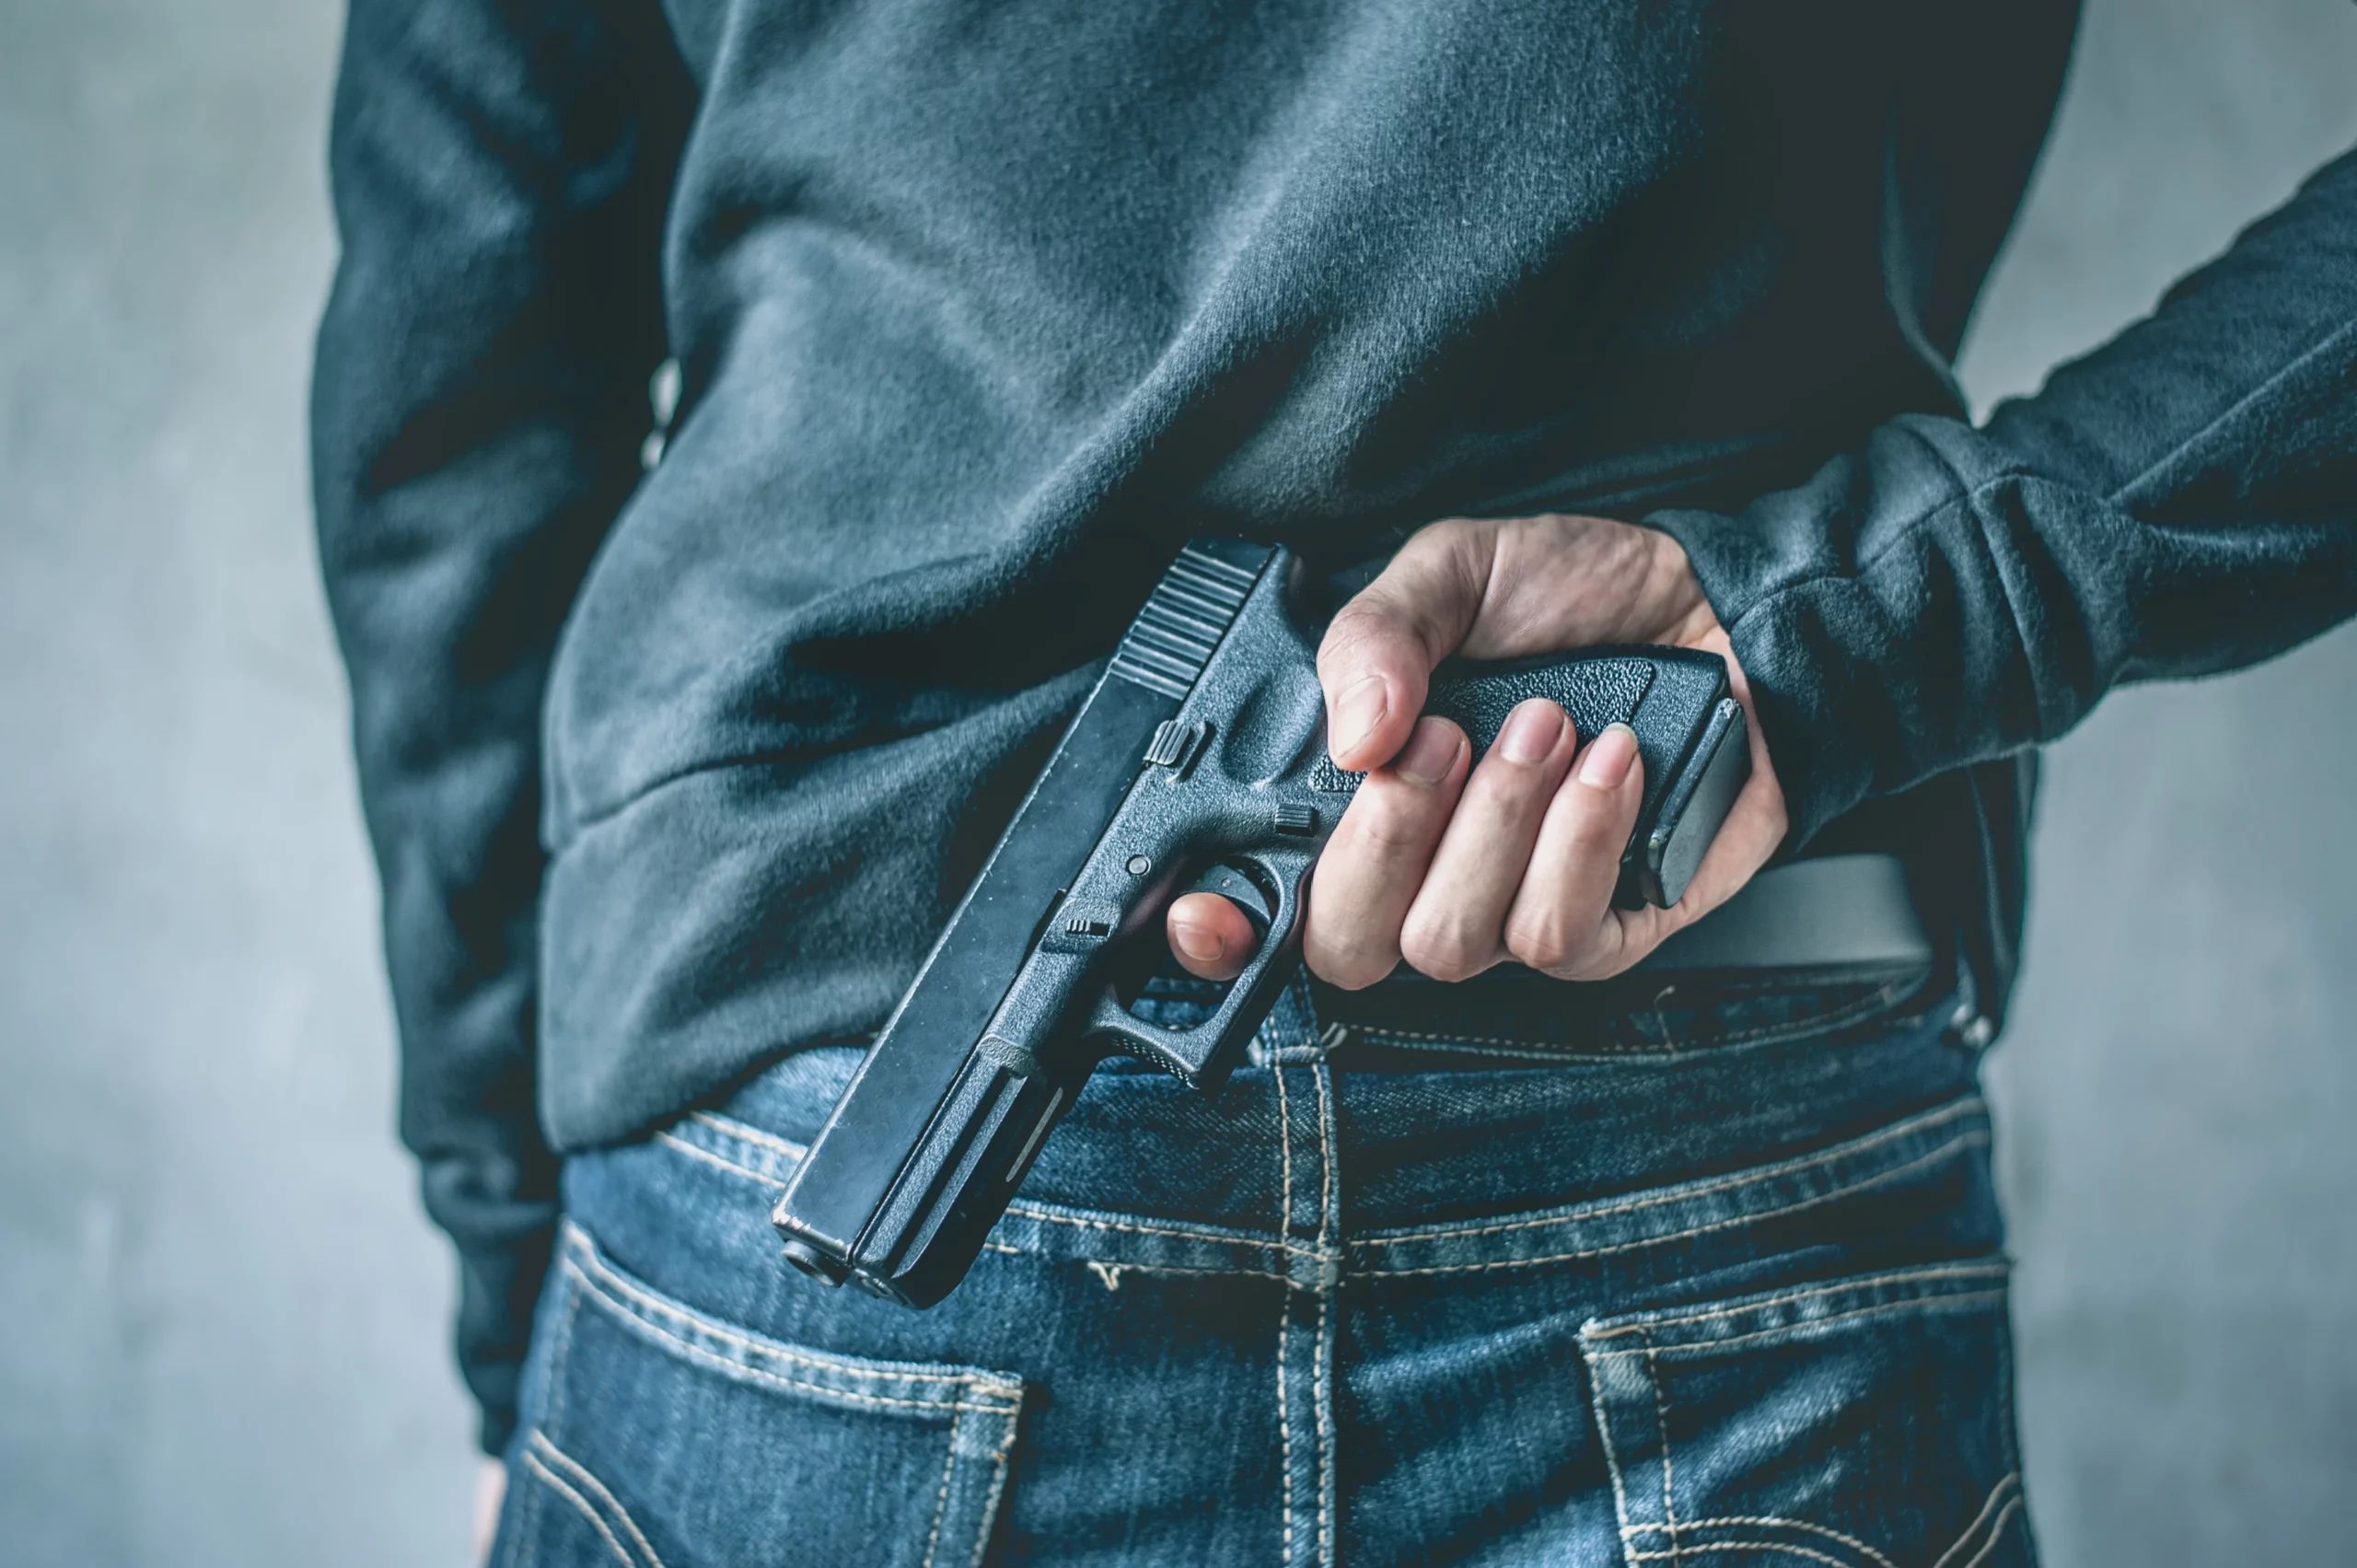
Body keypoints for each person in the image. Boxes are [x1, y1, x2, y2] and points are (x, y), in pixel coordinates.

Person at [311, 0, 2356, 1562]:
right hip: (1719, 1153)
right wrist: (1900, 598)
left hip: (806, 1098)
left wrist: (522, 1232)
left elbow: (461, 375)